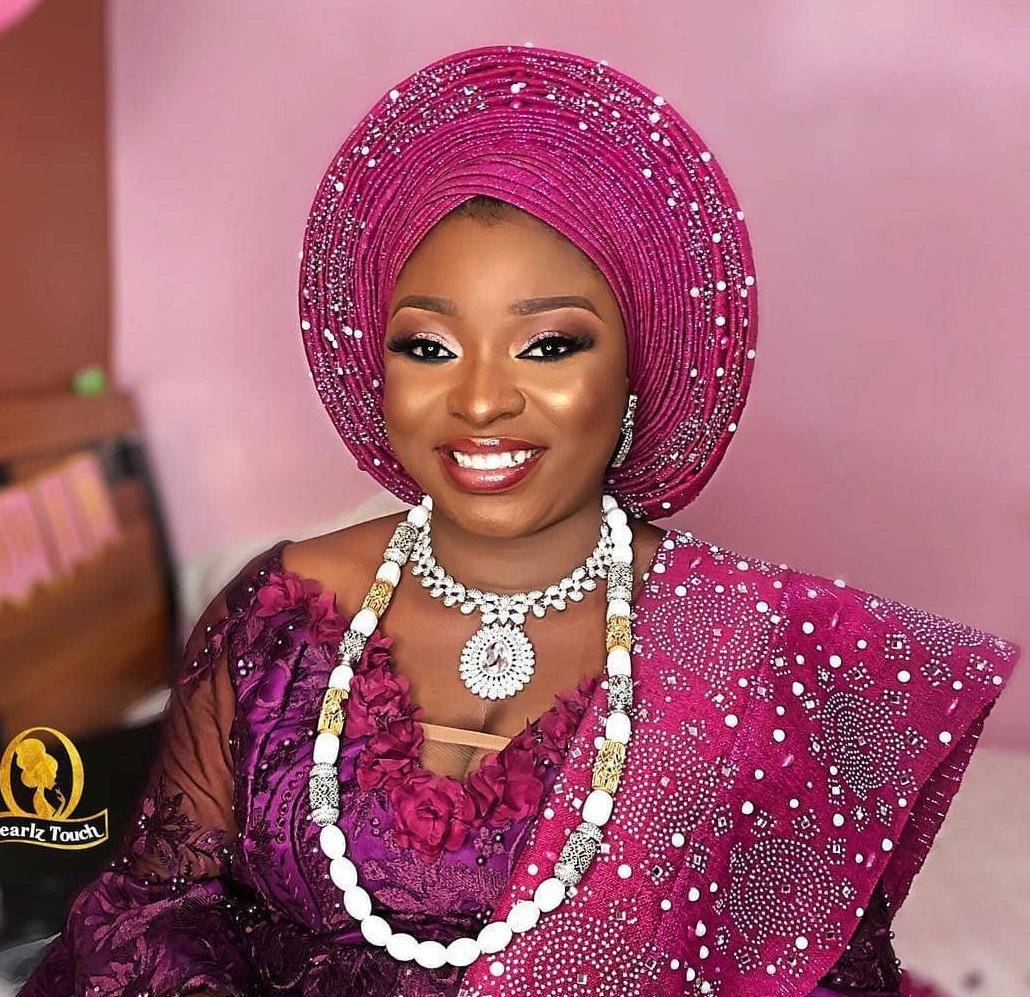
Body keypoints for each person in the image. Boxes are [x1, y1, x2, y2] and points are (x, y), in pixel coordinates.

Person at [22, 44, 1018, 997]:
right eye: (428, 347)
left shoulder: (758, 657)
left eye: (547, 346)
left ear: (637, 369)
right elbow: (157, 909)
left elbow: (804, 969)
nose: (481, 400)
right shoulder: (279, 614)